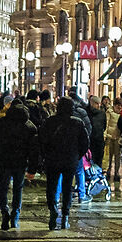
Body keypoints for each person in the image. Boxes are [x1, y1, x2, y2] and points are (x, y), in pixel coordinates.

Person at [39, 97, 89, 229]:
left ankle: (53, 210)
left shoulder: (50, 122)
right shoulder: (77, 123)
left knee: (52, 186)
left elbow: (42, 140)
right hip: (70, 160)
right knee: (67, 188)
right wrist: (78, 155)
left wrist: (45, 155)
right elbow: (85, 142)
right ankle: (65, 215)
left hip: (53, 159)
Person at [0, 96, 36, 230]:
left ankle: (4, 212)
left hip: (4, 159)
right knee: (18, 188)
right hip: (20, 161)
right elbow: (33, 149)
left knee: (3, 188)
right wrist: (32, 168)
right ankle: (15, 215)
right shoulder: (29, 126)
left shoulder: (1, 123)